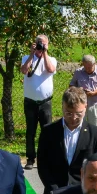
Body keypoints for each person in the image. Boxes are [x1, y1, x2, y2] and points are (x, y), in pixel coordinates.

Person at [21, 34, 57, 169]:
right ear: (34, 44)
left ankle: (46, 158)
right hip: (30, 102)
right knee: (30, 131)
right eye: (39, 43)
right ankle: (30, 159)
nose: (41, 46)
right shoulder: (26, 58)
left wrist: (45, 53)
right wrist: (32, 54)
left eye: (43, 43)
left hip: (45, 102)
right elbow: (24, 70)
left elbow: (50, 69)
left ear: (48, 45)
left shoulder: (51, 59)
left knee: (47, 131)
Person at [70, 55, 97, 129]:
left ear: (94, 64)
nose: (87, 69)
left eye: (90, 67)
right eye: (85, 67)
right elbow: (71, 86)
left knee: (95, 128)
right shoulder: (78, 72)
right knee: (79, 127)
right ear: (83, 64)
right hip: (80, 105)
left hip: (95, 104)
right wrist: (79, 90)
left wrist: (93, 93)